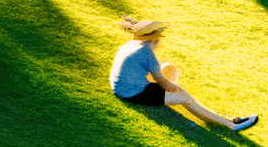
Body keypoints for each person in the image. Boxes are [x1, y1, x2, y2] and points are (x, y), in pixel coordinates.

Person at [110, 16, 257, 132]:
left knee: (181, 92)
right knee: (184, 98)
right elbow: (161, 80)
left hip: (121, 86)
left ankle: (216, 118)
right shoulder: (146, 52)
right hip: (132, 93)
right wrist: (176, 91)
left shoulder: (130, 45)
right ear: (152, 38)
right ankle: (232, 125)